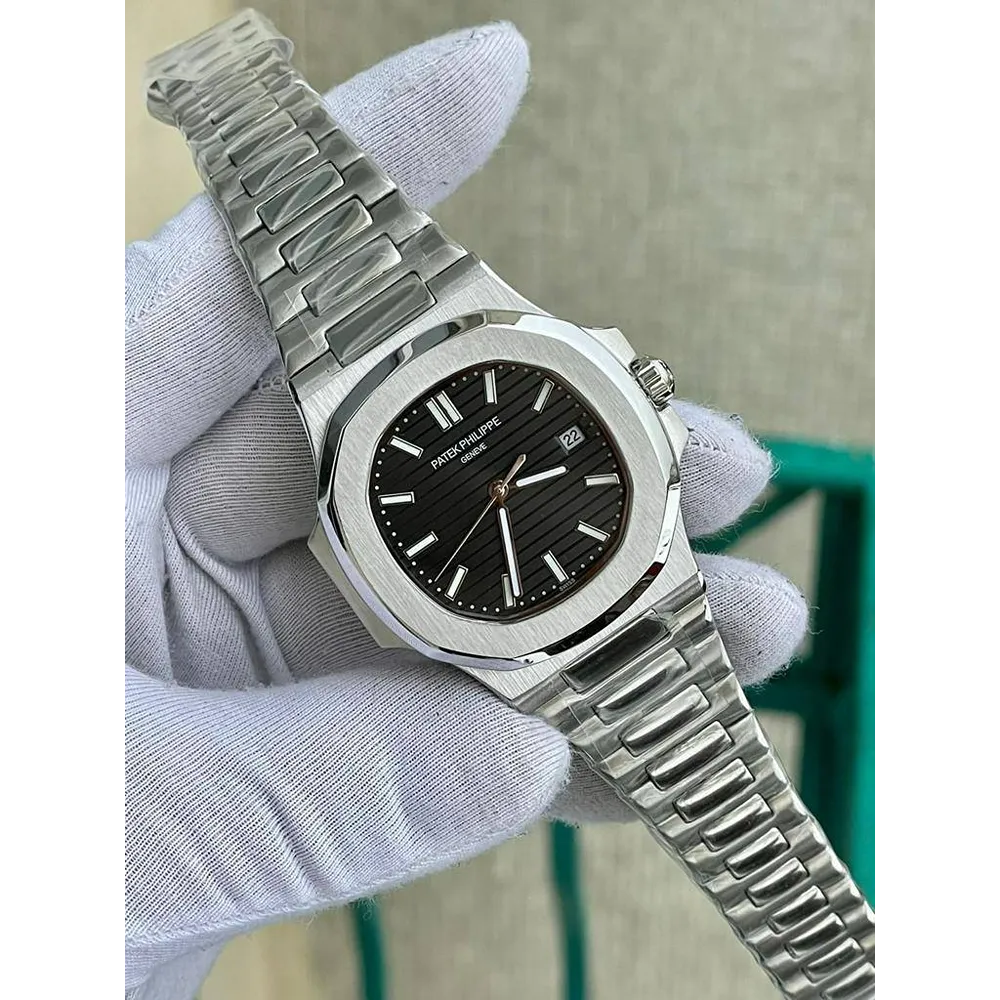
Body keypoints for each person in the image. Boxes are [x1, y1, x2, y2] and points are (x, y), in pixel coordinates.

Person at [122, 22, 808, 1000]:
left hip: (620, 580)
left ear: (637, 398)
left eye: (507, 482)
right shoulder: (368, 496)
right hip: (512, 589)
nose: (497, 488)